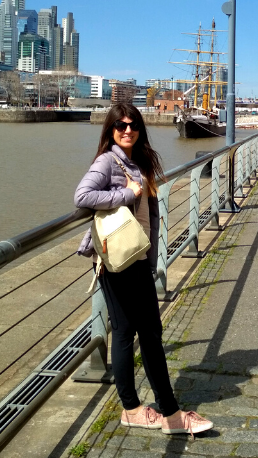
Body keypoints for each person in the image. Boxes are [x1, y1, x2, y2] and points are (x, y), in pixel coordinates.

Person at [75, 103, 213, 437]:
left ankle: (151, 410)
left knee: (144, 334)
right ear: (111, 129)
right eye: (120, 125)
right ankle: (151, 411)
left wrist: (152, 262)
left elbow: (150, 217)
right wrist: (127, 193)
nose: (127, 130)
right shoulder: (108, 161)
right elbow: (82, 195)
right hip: (116, 262)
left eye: (133, 124)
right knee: (133, 334)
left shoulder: (140, 161)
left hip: (136, 259)